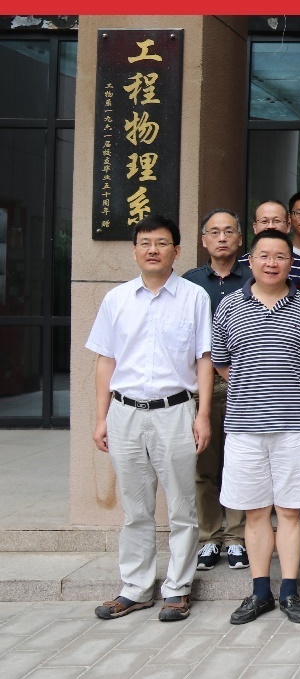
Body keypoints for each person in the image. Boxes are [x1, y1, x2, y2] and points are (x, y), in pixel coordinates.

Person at [87, 215, 213, 622]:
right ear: (135, 251)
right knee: (136, 508)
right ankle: (136, 588)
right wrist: (101, 417)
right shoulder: (116, 299)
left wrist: (203, 415)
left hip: (175, 411)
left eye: (161, 242)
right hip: (124, 412)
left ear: (177, 250)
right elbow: (105, 360)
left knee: (181, 507)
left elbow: (204, 359)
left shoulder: (194, 297)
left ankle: (177, 588)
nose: (152, 250)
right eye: (145, 243)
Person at [211, 229, 300, 625]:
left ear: (291, 262)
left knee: (290, 512)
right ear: (251, 260)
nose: (271, 263)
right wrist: (254, 391)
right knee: (256, 512)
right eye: (264, 255)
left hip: (296, 426)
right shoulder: (229, 306)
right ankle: (260, 592)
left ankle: (290, 591)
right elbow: (221, 362)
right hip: (245, 427)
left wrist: (288, 391)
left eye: (280, 256)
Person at [183, 209, 251, 573]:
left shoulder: (255, 277)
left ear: (240, 238)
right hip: (201, 385)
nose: (222, 238)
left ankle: (237, 537)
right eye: (214, 232)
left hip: (244, 384)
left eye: (228, 231)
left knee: (239, 463)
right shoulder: (189, 283)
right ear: (203, 240)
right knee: (204, 465)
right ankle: (209, 537)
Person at [239, 201, 300, 292]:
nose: (271, 226)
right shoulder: (240, 264)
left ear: (288, 226)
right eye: (264, 221)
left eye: (277, 221)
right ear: (255, 227)